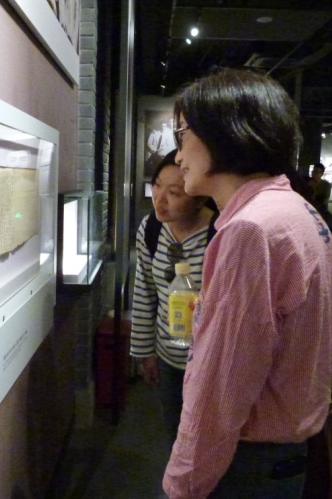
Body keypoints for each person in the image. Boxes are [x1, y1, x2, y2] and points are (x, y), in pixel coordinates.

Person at [162, 69, 332, 499]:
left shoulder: (251, 230)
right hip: (284, 455)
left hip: (245, 463)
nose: (179, 155)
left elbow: (222, 388)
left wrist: (182, 484)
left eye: (183, 134)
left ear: (225, 132)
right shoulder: (297, 211)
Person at [130, 150, 217, 445]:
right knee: (176, 437)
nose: (160, 199)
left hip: (209, 363)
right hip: (168, 357)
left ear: (200, 198)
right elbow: (145, 289)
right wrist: (145, 352)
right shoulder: (152, 229)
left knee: (207, 441)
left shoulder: (220, 234)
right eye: (156, 186)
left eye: (174, 193)